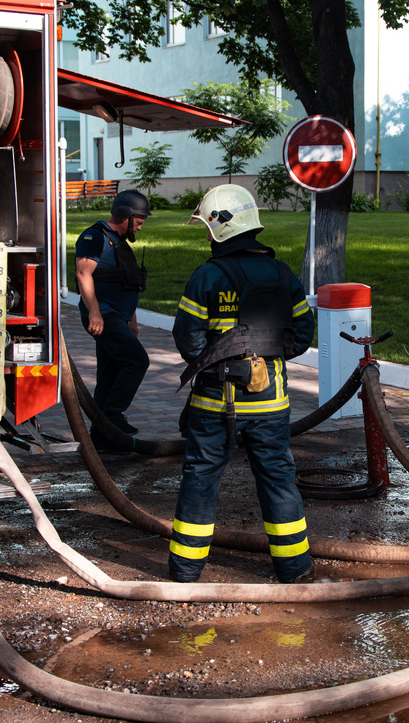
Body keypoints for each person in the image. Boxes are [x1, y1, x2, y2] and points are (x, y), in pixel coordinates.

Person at [169, 184, 316, 584]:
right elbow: (302, 336)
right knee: (279, 481)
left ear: (219, 228)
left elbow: (188, 343)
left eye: (206, 226)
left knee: (200, 481)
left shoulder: (207, 277)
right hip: (271, 405)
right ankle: (295, 569)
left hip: (215, 406)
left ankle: (185, 573)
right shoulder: (283, 274)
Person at [74, 190, 152, 449]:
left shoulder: (120, 243)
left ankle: (102, 437)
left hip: (117, 315)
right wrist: (94, 312)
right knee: (137, 360)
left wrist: (133, 319)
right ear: (126, 216)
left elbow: (127, 283)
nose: (140, 227)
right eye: (139, 221)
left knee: (109, 373)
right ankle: (113, 415)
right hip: (103, 315)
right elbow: (83, 274)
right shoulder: (94, 237)